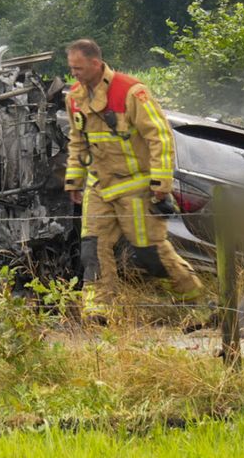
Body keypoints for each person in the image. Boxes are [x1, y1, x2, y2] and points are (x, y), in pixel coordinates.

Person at [63, 38, 201, 316]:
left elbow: (159, 136)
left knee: (149, 252)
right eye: (71, 68)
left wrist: (162, 182)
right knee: (93, 248)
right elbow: (77, 141)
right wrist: (74, 180)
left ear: (95, 63)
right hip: (99, 187)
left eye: (78, 68)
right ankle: (98, 312)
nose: (74, 74)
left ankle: (192, 294)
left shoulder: (130, 91)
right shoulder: (74, 98)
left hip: (135, 188)